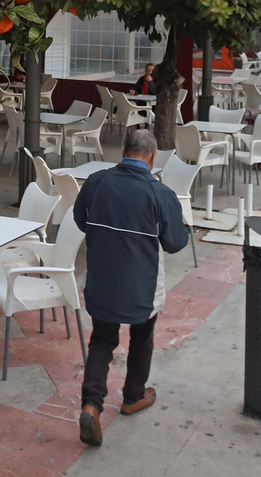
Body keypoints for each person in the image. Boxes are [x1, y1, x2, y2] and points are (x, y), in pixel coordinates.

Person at [72, 129, 189, 447]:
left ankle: (91, 405)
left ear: (123, 151)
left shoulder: (96, 181)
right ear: (152, 157)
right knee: (142, 338)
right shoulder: (159, 193)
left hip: (102, 279)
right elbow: (176, 243)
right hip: (142, 283)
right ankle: (132, 396)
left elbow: (80, 220)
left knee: (101, 341)